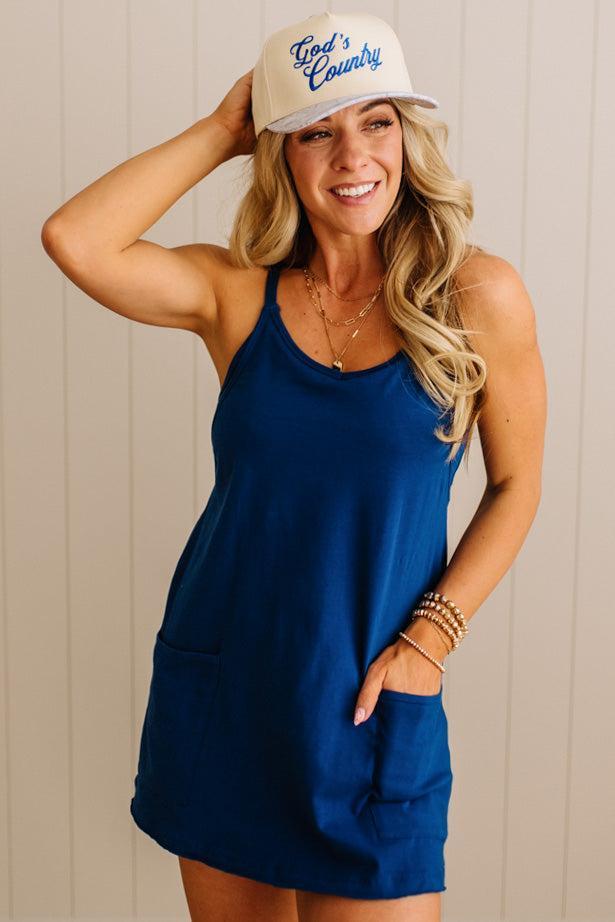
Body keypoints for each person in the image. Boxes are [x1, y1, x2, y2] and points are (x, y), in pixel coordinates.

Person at [40, 9, 547, 922]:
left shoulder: (477, 295)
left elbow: (516, 486)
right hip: (228, 689)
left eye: (376, 122)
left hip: (372, 700)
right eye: (316, 131)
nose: (353, 157)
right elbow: (76, 239)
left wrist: (430, 641)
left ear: (406, 135)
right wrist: (219, 131)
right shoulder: (238, 294)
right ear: (278, 152)